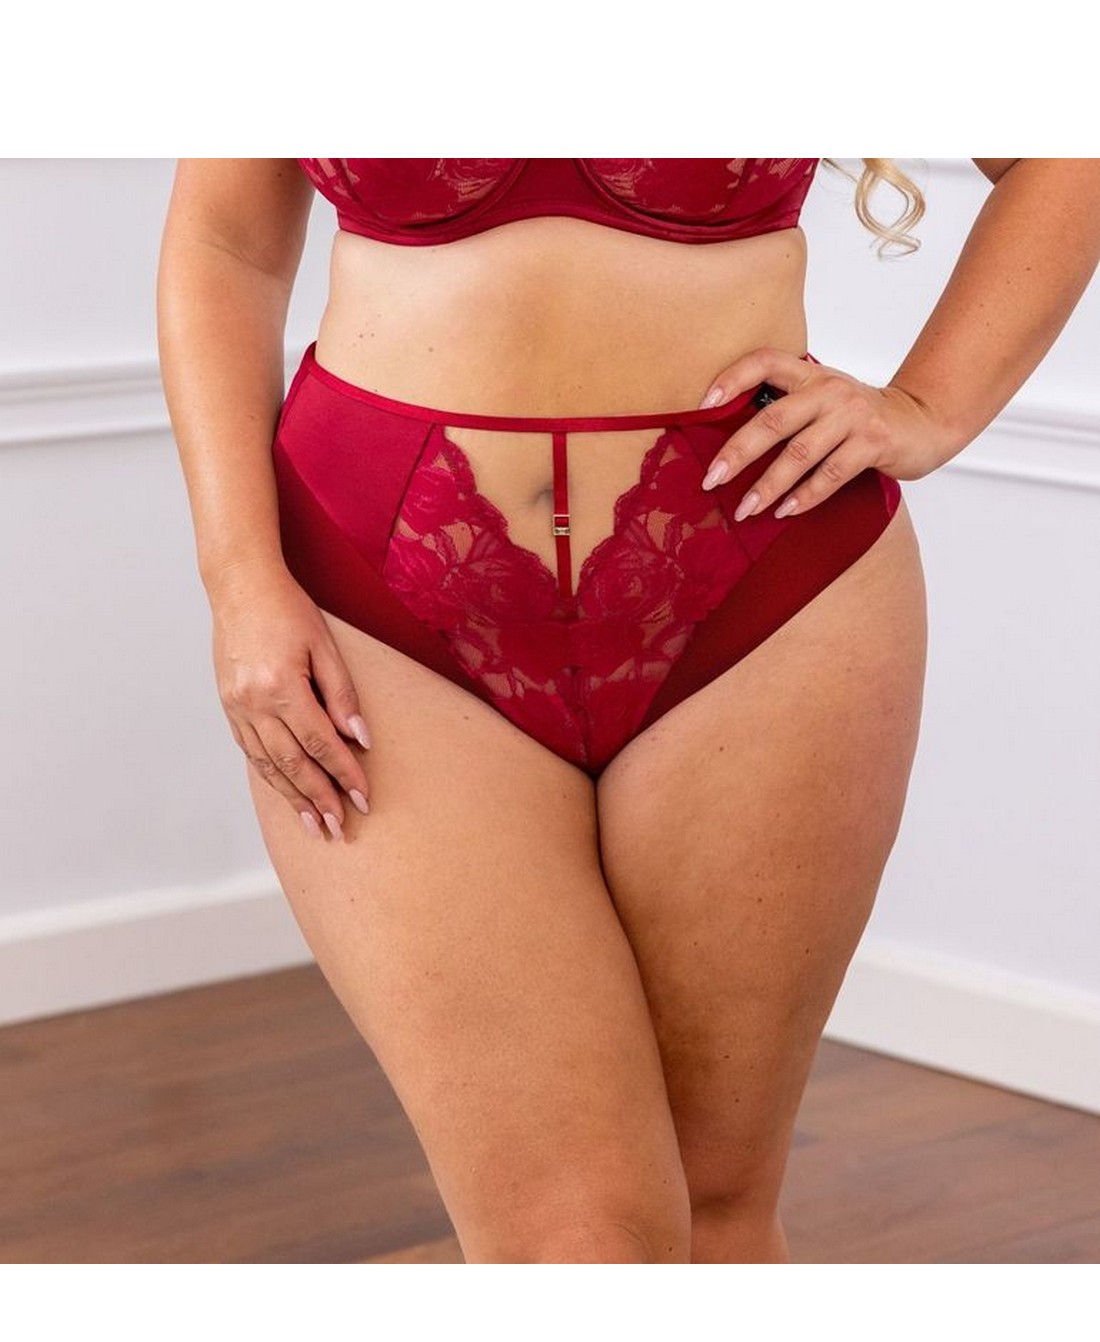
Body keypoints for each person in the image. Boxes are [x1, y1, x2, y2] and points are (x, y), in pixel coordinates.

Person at [157, 158, 1100, 1264]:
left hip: (766, 586)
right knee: (569, 1240)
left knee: (715, 1206)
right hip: (377, 602)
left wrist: (928, 407)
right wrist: (238, 578)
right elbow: (225, 247)